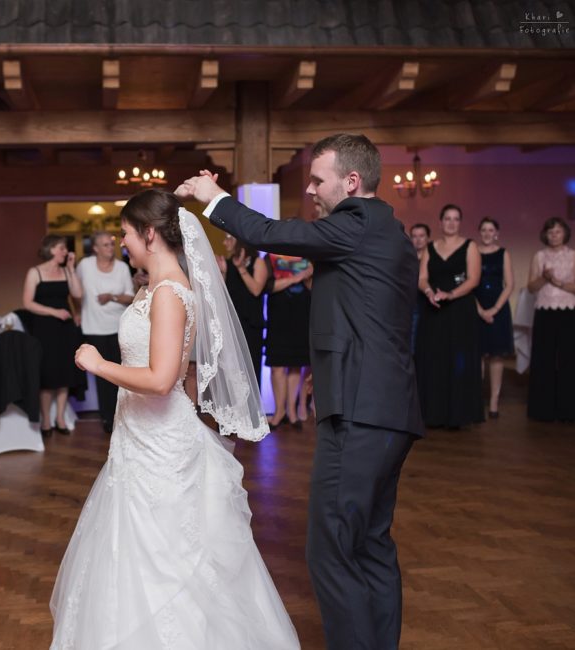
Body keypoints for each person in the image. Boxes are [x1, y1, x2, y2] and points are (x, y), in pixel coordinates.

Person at [177, 133, 424, 650]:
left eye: (317, 179)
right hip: (387, 407)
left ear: (351, 182)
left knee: (331, 550)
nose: (309, 189)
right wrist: (326, 367)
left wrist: (213, 197)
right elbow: (369, 315)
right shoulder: (390, 230)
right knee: (371, 544)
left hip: (359, 410)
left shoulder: (356, 222)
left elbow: (272, 233)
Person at [50, 189, 298, 649]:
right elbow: (178, 373)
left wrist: (98, 364)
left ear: (149, 234)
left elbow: (162, 379)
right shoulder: (156, 288)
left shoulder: (168, 294)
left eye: (126, 233)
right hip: (139, 438)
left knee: (167, 557)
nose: (122, 242)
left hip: (159, 445)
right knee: (135, 553)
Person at [416, 204, 484, 428]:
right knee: (434, 359)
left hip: (460, 310)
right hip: (434, 309)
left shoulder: (470, 246)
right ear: (440, 222)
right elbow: (422, 278)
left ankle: (459, 414)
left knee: (458, 361)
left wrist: (451, 294)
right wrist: (429, 292)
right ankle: (433, 413)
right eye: (447, 218)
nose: (451, 223)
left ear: (460, 222)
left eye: (456, 219)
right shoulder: (430, 247)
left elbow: (473, 279)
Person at [22, 235, 86, 436]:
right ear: (50, 249)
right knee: (47, 375)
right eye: (61, 248)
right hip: (44, 329)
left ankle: (60, 418)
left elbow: (78, 294)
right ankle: (46, 421)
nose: (65, 252)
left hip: (65, 329)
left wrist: (72, 269)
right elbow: (27, 303)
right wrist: (54, 312)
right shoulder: (35, 272)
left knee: (65, 374)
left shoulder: (66, 271)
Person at [526, 217, 575, 422]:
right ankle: (542, 410)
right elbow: (531, 287)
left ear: (565, 234)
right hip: (544, 312)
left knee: (569, 361)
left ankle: (568, 411)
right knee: (542, 360)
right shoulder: (539, 256)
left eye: (558, 231)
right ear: (545, 234)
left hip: (568, 312)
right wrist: (544, 278)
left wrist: (559, 283)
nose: (554, 235)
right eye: (550, 232)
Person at [75, 230, 135, 433]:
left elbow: (131, 297)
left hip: (119, 327)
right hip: (93, 327)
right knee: (102, 376)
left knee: (121, 374)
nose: (111, 248)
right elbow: (76, 292)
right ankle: (107, 418)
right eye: (106, 245)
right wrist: (77, 311)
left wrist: (112, 296)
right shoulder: (85, 266)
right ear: (95, 248)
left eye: (111, 244)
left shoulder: (122, 267)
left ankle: (123, 417)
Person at [264, 248, 313, 427]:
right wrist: (297, 277)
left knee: (295, 365)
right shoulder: (270, 257)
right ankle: (279, 412)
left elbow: (313, 288)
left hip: (301, 316)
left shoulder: (308, 257)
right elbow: (267, 286)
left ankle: (292, 411)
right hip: (278, 317)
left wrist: (307, 277)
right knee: (277, 367)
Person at [474, 217, 515, 417]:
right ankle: (477, 400)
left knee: (496, 355)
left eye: (491, 230)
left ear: (496, 233)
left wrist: (494, 310)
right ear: (479, 232)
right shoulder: (472, 252)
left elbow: (510, 284)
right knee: (478, 355)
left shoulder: (503, 253)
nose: (487, 233)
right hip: (476, 306)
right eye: (484, 230)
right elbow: (467, 283)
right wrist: (481, 310)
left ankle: (494, 403)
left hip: (498, 308)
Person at [217, 233, 269, 388]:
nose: (224, 242)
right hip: (233, 322)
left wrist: (241, 268)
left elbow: (256, 290)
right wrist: (222, 273)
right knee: (233, 368)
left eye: (228, 238)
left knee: (251, 366)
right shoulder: (227, 263)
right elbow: (224, 294)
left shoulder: (258, 262)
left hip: (251, 323)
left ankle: (253, 402)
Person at [409, 223, 431, 354]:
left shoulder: (435, 260)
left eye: (421, 236)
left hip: (431, 305)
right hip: (411, 306)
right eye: (414, 236)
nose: (418, 240)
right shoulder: (405, 260)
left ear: (428, 237)